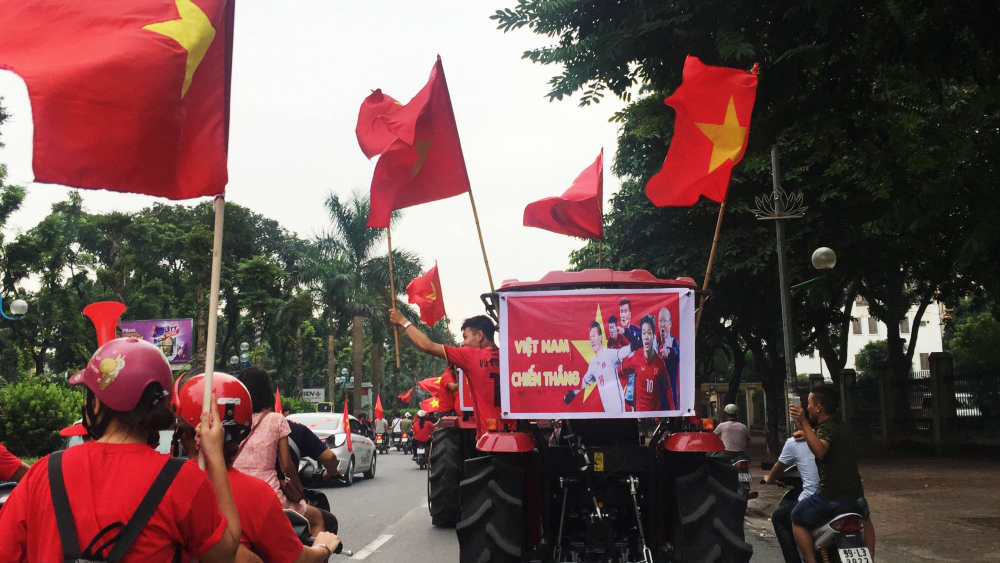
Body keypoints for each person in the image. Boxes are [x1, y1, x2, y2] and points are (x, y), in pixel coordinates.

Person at [0, 338, 241, 562]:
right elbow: (225, 553)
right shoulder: (182, 480)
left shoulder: (43, 473)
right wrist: (215, 456)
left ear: (95, 406)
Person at [174, 372, 341, 563]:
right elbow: (297, 559)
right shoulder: (257, 494)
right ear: (240, 436)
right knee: (319, 519)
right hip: (271, 491)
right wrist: (323, 547)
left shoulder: (164, 482)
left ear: (182, 434)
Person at [389, 310, 510, 441]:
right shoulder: (511, 356)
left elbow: (428, 346)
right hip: (517, 431)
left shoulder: (471, 356)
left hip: (489, 436)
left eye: (465, 337)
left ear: (480, 335)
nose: (463, 343)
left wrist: (403, 321)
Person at [234, 368, 326, 537]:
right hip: (268, 496)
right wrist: (299, 491)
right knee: (318, 519)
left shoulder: (233, 419)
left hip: (233, 496)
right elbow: (286, 465)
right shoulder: (276, 419)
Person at [789, 385, 875, 563]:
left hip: (830, 498)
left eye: (810, 404)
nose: (807, 408)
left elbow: (820, 450)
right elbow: (831, 441)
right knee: (867, 521)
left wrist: (805, 423)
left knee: (796, 517)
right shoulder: (843, 427)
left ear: (819, 408)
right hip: (857, 497)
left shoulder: (825, 429)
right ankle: (870, 559)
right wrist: (806, 432)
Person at [764, 400, 820, 563]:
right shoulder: (831, 437)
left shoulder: (795, 443)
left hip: (817, 500)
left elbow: (777, 469)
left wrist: (770, 479)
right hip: (846, 499)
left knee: (779, 518)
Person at [564, 321, 631, 412]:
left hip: (619, 410)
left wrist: (634, 345)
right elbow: (584, 382)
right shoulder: (593, 364)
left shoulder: (609, 354)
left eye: (594, 336)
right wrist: (572, 394)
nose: (591, 340)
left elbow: (623, 352)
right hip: (607, 411)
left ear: (600, 337)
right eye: (590, 338)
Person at [617, 315, 672, 412]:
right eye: (644, 333)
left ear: (653, 336)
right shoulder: (635, 358)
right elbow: (617, 373)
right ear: (641, 336)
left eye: (649, 333)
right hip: (638, 415)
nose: (646, 337)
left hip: (654, 416)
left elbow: (667, 390)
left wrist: (673, 412)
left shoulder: (660, 364)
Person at [654, 306, 680, 410]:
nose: (662, 324)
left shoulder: (673, 341)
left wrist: (668, 352)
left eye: (665, 321)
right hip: (657, 395)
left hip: (669, 393)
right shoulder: (657, 342)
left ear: (670, 324)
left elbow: (678, 352)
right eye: (660, 321)